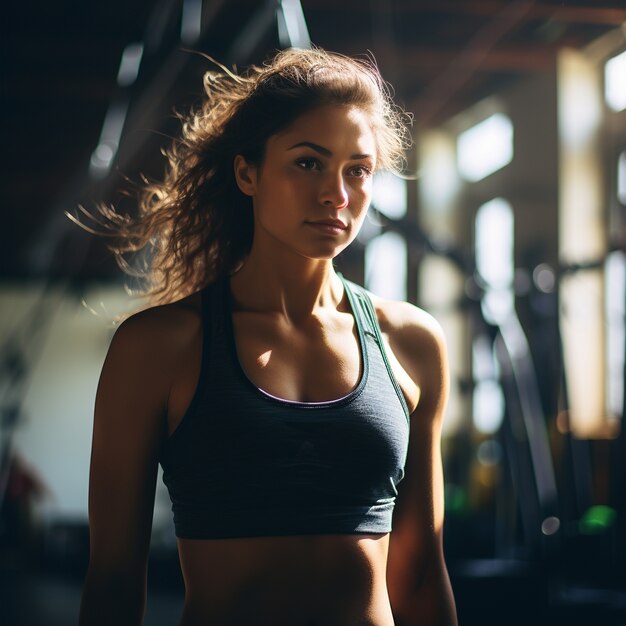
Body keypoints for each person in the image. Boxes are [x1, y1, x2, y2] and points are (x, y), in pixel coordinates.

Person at [78, 47, 457, 626]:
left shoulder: (412, 343)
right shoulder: (157, 348)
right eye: (309, 163)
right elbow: (112, 580)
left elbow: (422, 573)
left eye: (357, 169)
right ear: (246, 172)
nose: (337, 194)